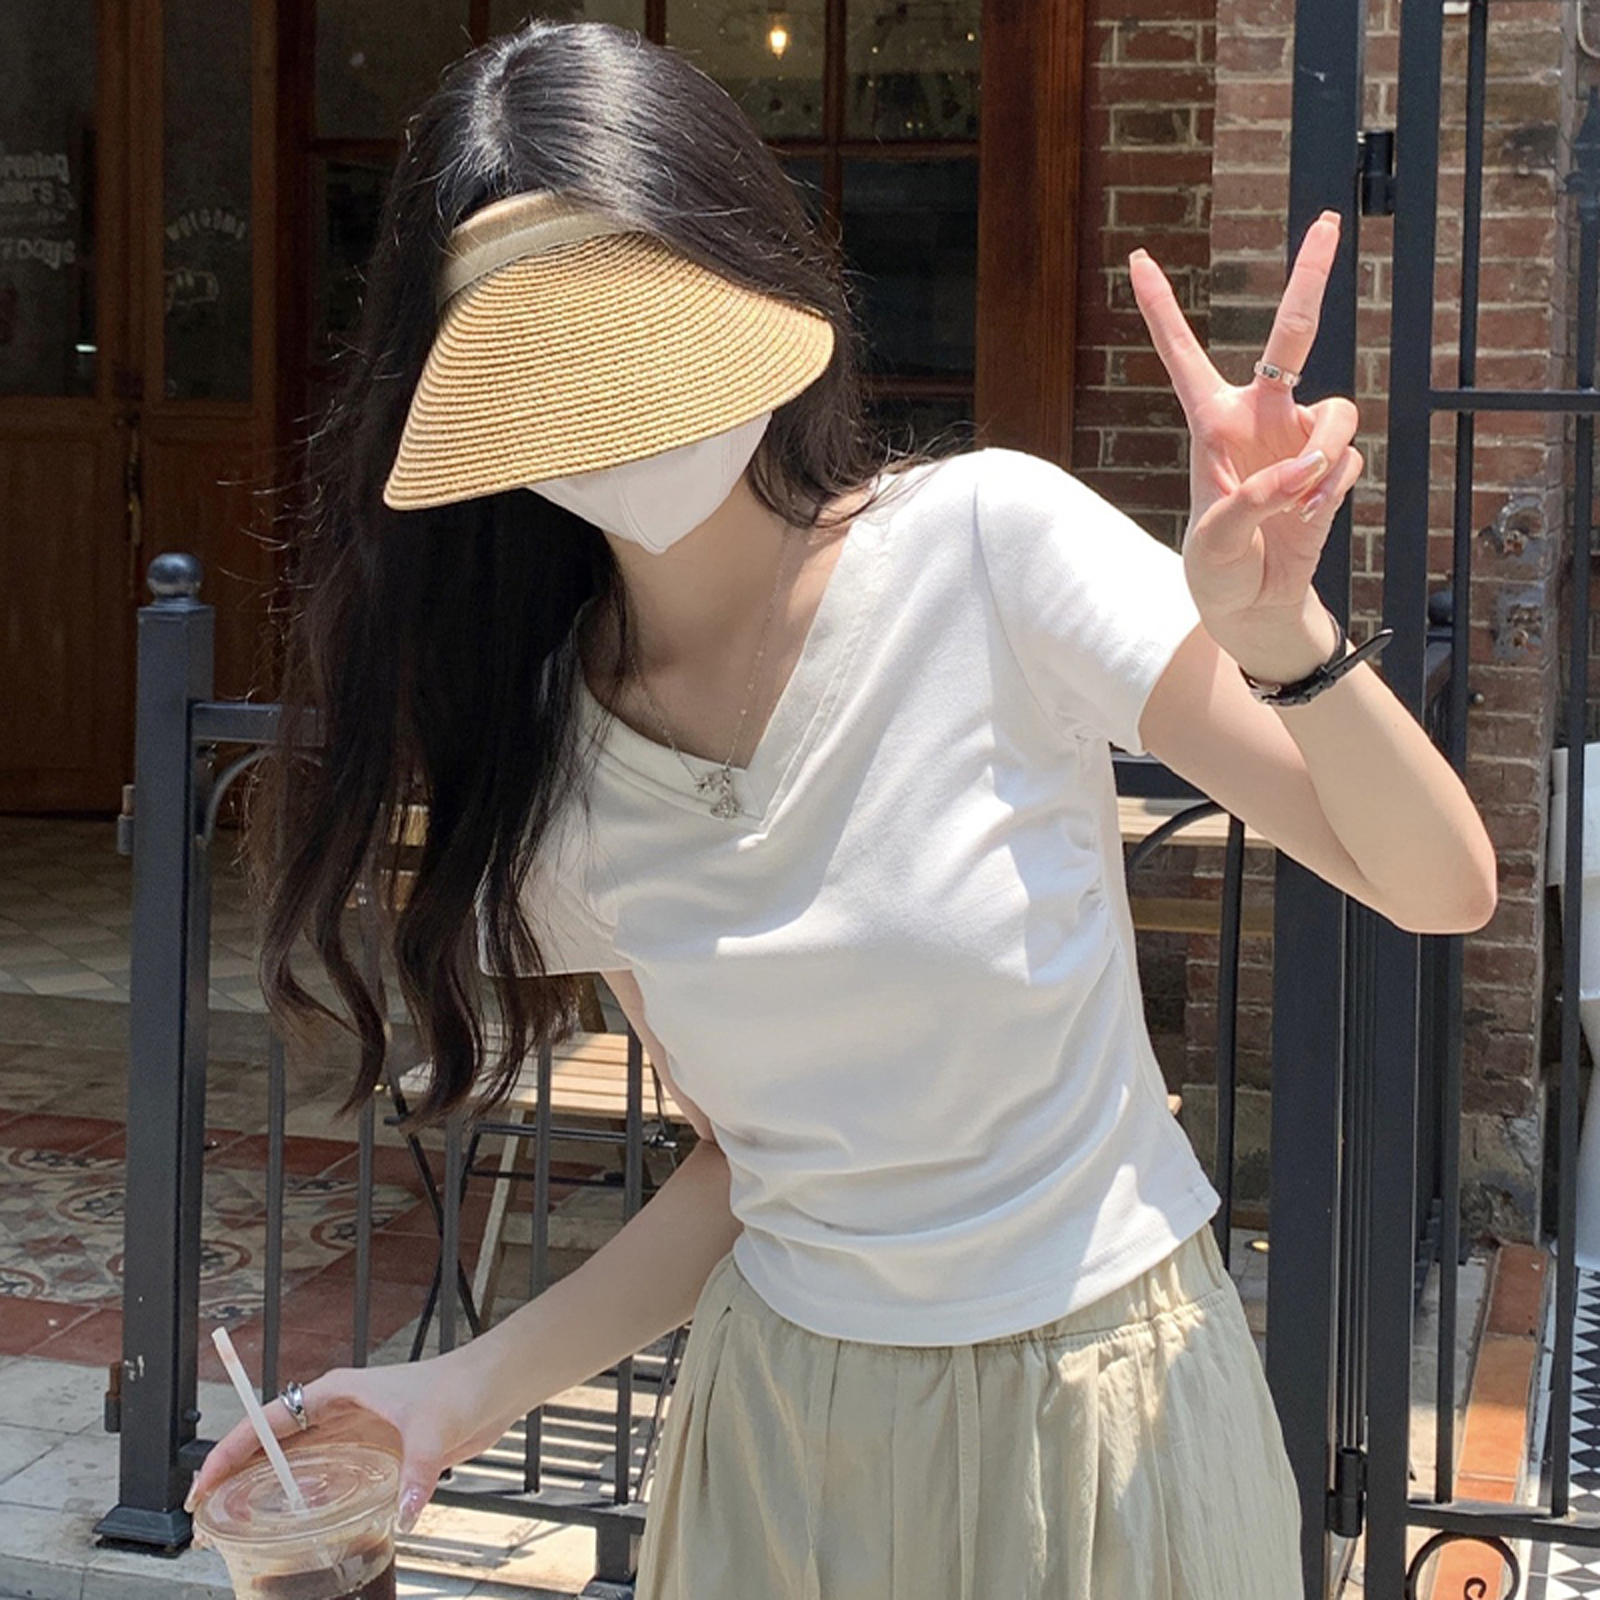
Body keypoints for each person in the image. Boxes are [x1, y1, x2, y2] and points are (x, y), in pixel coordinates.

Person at [187, 17, 1498, 1598]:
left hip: (1106, 1415)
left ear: (748, 284)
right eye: (547, 368)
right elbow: (754, 1171)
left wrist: (1283, 632)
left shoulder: (992, 548)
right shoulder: (553, 765)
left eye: (641, 331)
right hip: (785, 1451)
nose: (613, 409)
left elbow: (1438, 883)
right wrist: (450, 1397)